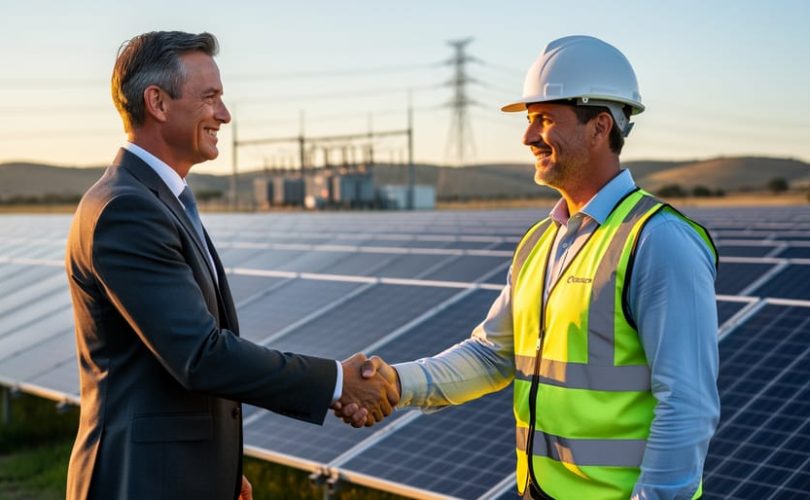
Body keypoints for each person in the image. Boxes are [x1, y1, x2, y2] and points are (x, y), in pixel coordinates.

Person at [335, 35, 720, 499]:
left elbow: (687, 404)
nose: (527, 136)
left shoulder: (658, 241)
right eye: (529, 120)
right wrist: (397, 382)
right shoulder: (541, 242)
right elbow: (492, 355)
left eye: (544, 120)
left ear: (600, 127)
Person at [65, 31, 396, 500]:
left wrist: (214, 470)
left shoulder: (162, 199)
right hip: (139, 482)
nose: (224, 114)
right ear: (157, 102)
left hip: (173, 477)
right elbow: (200, 356)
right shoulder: (126, 209)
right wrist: (339, 381)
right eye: (210, 98)